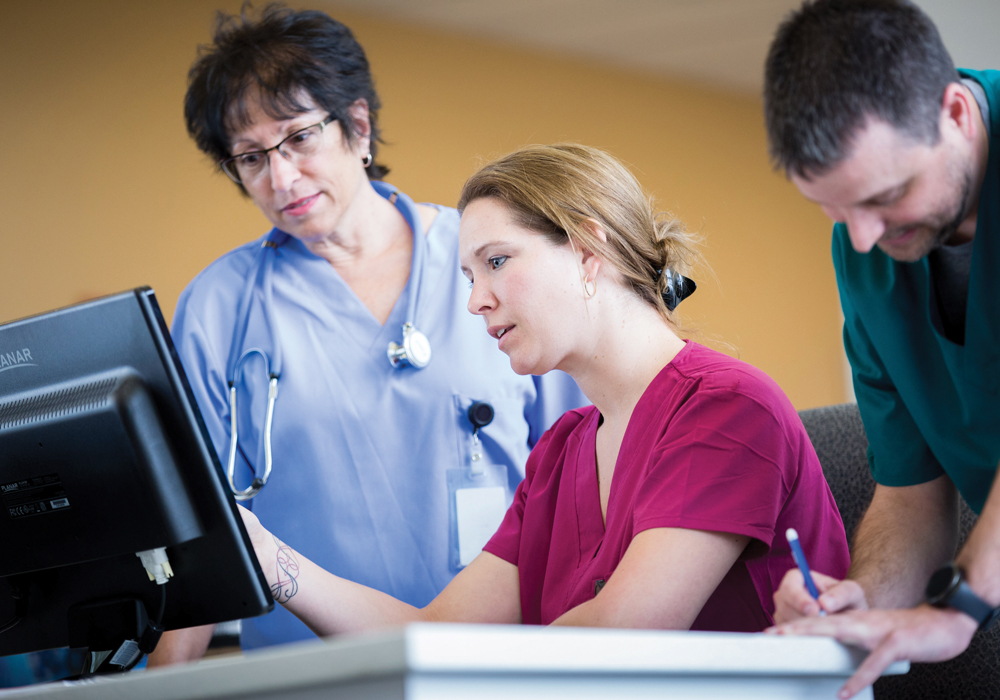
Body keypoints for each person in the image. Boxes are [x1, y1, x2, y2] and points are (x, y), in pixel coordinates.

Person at [236, 143, 850, 636]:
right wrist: (265, 556)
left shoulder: (726, 408)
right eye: (469, 276)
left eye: (497, 261)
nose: (476, 301)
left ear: (588, 251)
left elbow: (626, 632)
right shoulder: (560, 452)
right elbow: (438, 634)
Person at [149, 5, 586, 664]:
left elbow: (580, 475)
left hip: (499, 659)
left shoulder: (488, 260)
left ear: (357, 125)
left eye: (298, 138)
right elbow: (203, 527)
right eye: (251, 158)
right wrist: (160, 681)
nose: (282, 178)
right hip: (302, 672)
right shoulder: (220, 306)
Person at [762, 1, 999, 697]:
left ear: (954, 112)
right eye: (835, 209)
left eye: (887, 195)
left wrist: (959, 606)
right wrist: (865, 602)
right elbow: (909, 493)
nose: (863, 238)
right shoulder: (870, 250)